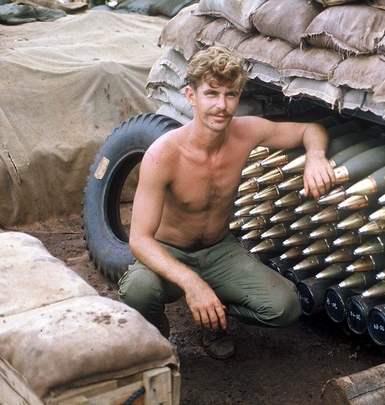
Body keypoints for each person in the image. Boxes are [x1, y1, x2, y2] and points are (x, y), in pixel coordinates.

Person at [118, 45, 335, 360]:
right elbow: (138, 239)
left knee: (286, 307)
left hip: (219, 249)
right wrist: (191, 283)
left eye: (230, 95)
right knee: (138, 291)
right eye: (211, 94)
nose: (221, 105)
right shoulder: (163, 155)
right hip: (169, 250)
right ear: (191, 96)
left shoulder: (246, 132)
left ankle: (214, 316)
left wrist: (315, 156)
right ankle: (158, 340)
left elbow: (310, 129)